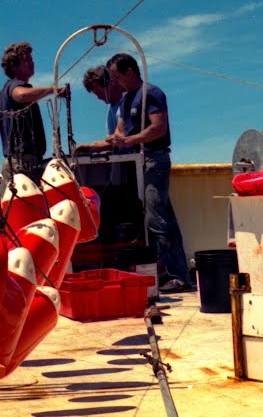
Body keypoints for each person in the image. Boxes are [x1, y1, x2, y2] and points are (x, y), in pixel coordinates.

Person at [105, 52, 192, 292]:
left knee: (157, 218)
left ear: (129, 72)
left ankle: (177, 276)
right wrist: (101, 144)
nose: (114, 83)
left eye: (116, 77)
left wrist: (128, 139)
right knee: (159, 215)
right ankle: (173, 272)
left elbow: (158, 128)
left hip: (154, 159)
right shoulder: (125, 100)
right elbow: (121, 135)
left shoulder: (151, 93)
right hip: (138, 163)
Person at [0, 42, 68, 181]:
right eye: (26, 60)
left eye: (31, 60)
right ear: (14, 66)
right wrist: (53, 90)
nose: (31, 63)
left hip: (13, 162)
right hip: (23, 163)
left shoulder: (2, 93)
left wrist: (11, 128)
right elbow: (21, 95)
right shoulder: (16, 85)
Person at [75, 65, 124, 154]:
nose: (98, 97)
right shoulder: (111, 109)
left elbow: (126, 138)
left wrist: (96, 147)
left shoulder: (129, 102)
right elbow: (112, 143)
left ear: (111, 84)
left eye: (99, 92)